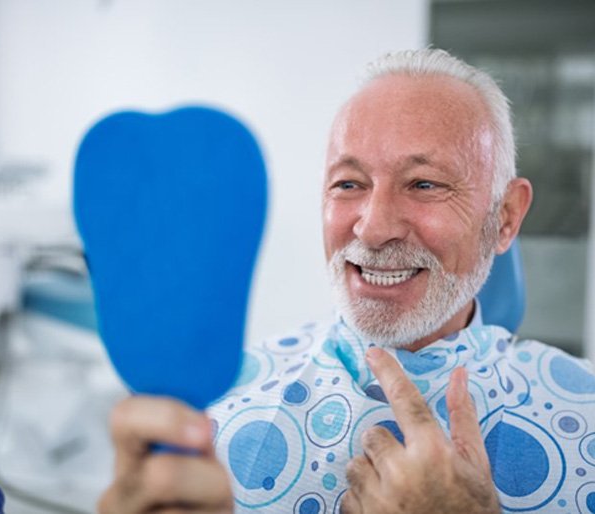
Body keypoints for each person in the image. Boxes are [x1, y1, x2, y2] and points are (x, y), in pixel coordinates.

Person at [99, 49, 595, 514]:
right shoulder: (214, 419)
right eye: (348, 184)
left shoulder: (585, 415)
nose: (374, 228)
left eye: (424, 184)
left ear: (505, 217)